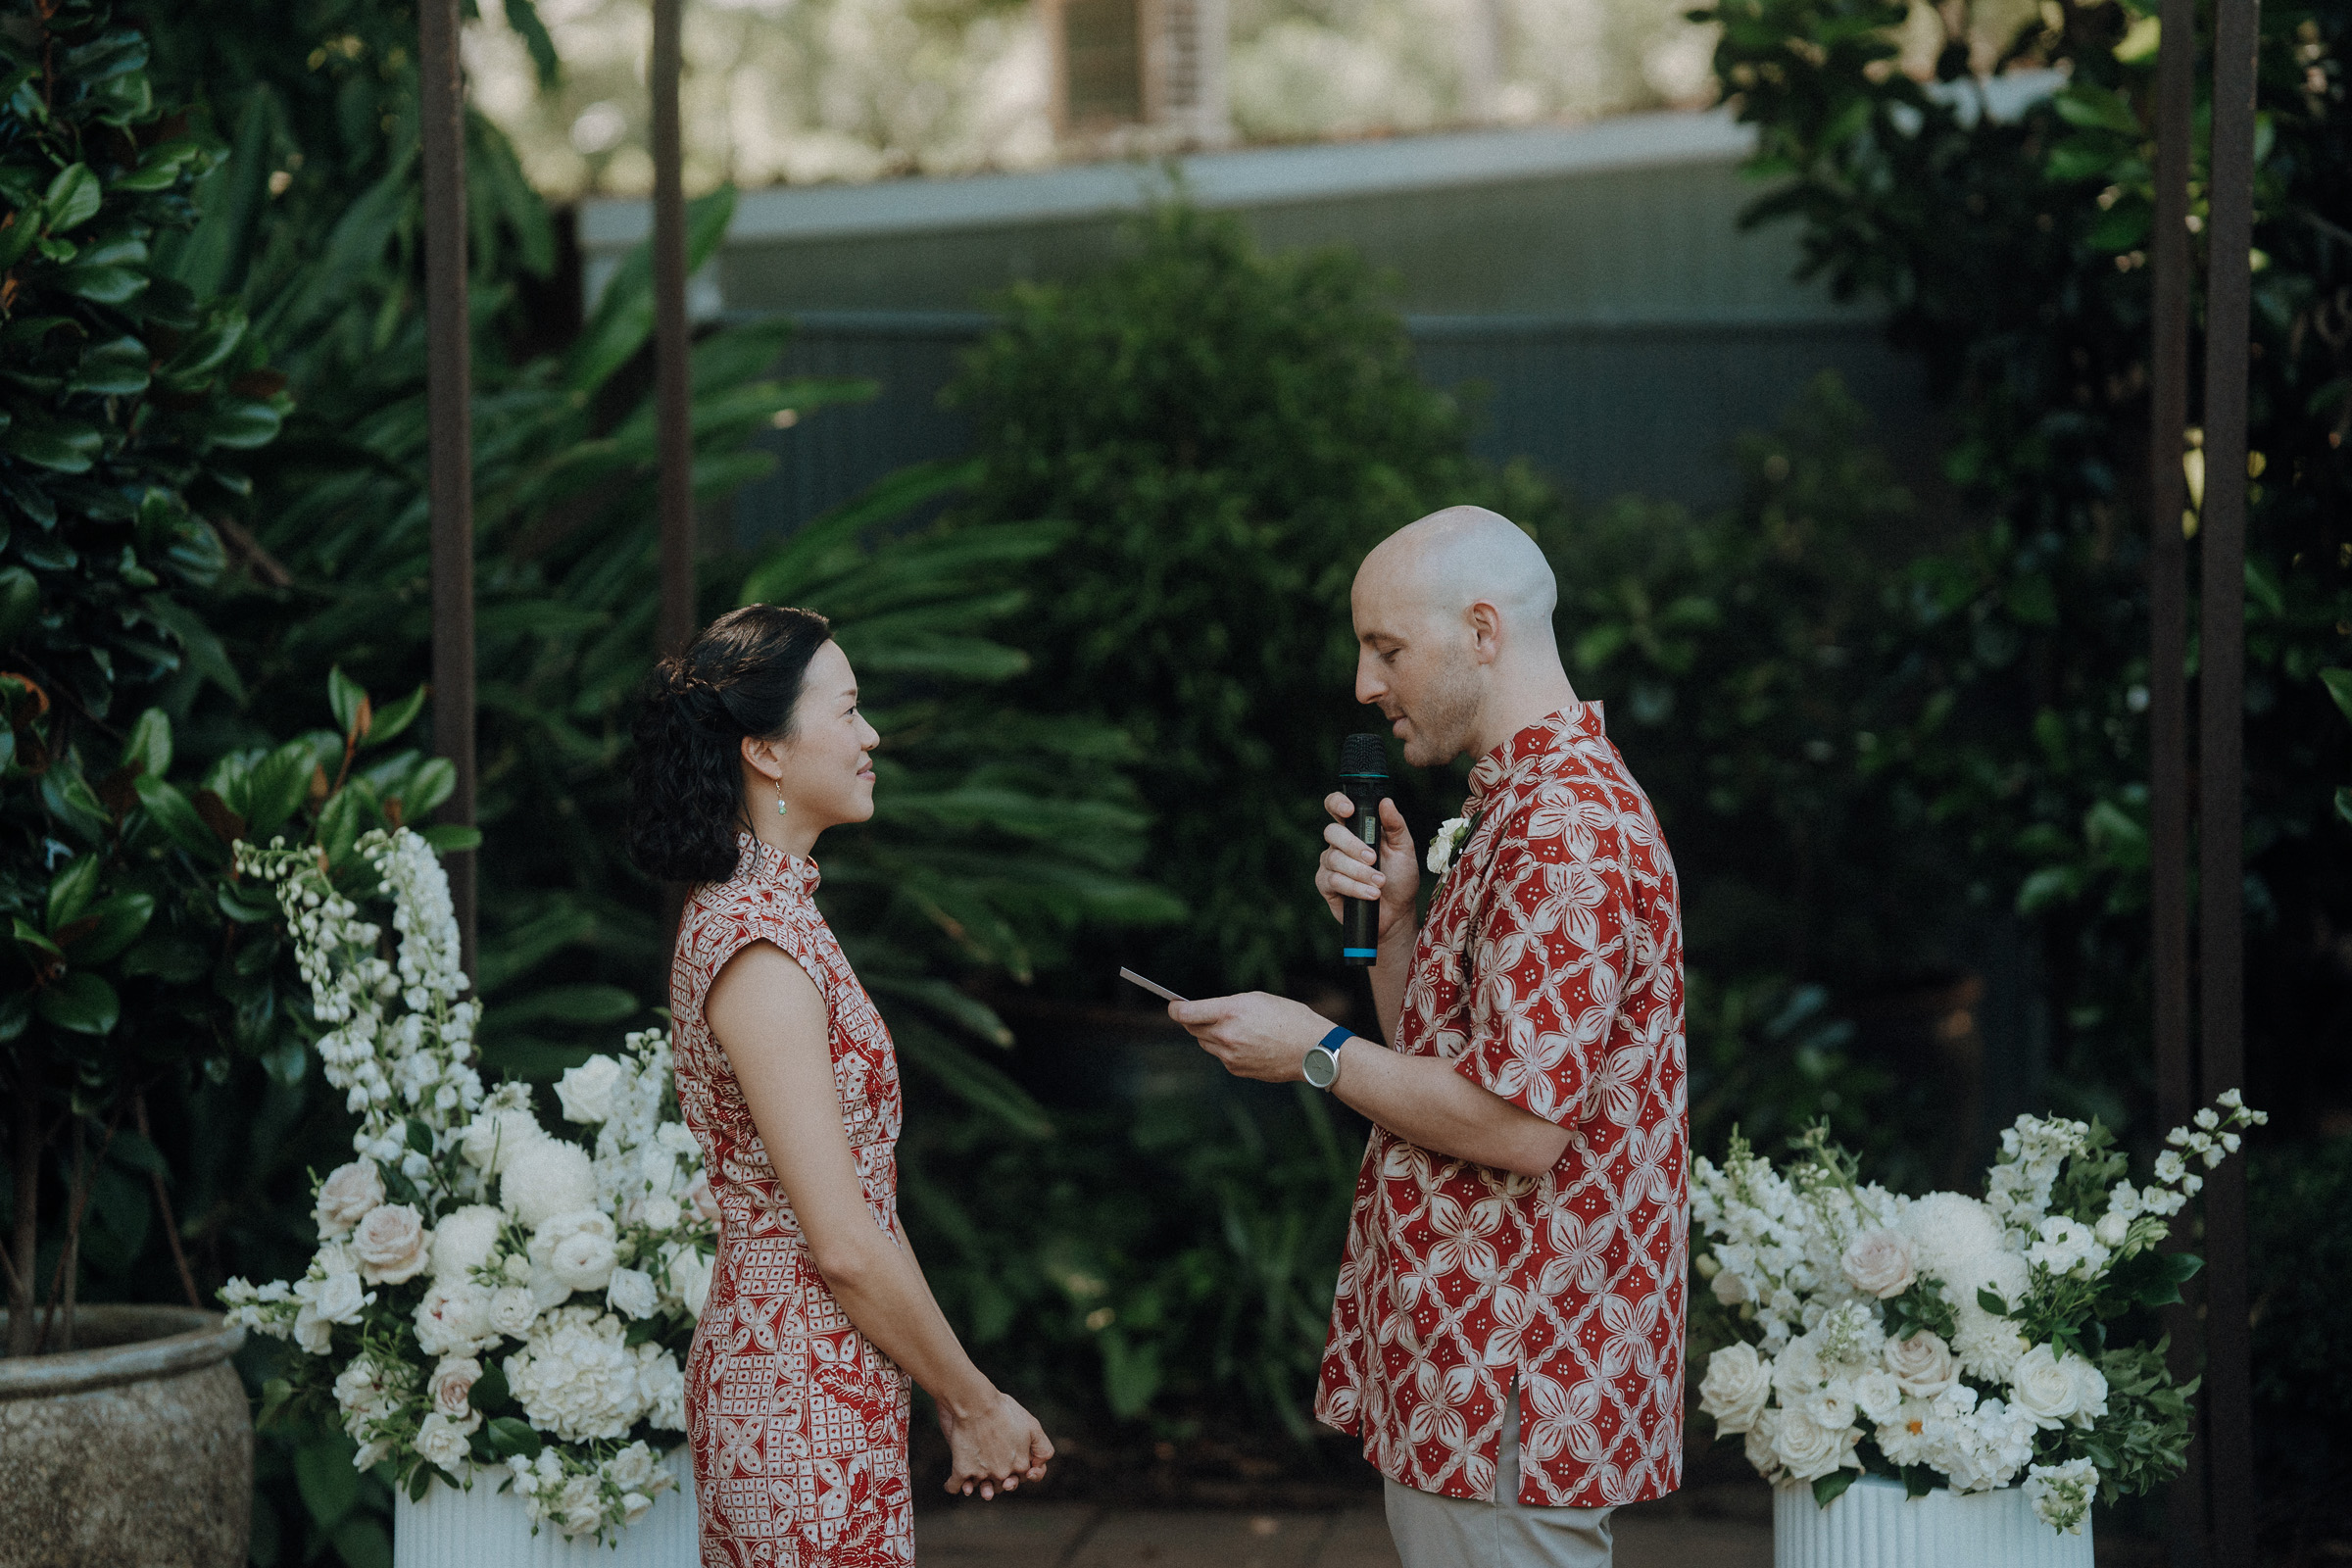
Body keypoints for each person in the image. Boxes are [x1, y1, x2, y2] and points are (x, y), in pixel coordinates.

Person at [1167, 507, 1688, 1568]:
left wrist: (1314, 1047)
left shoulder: (1563, 830)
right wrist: (1398, 925)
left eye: (1387, 648)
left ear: (1484, 631)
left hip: (1518, 1374)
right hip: (1481, 1363)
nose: (1365, 682)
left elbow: (1517, 1126)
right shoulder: (1522, 805)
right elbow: (1451, 1068)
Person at [629, 604, 1053, 1567]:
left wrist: (940, 1389)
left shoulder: (775, 911)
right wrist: (974, 1399)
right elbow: (845, 1241)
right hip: (794, 1380)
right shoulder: (758, 945)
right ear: (766, 752)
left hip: (830, 1366)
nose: (871, 736)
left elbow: (861, 1205)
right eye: (850, 710)